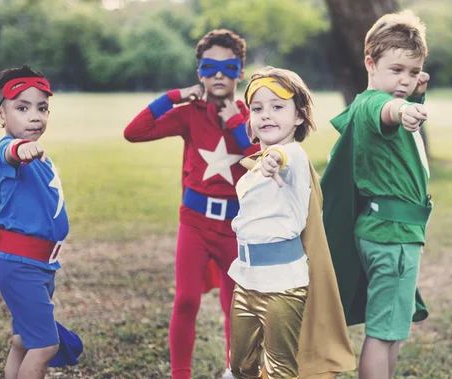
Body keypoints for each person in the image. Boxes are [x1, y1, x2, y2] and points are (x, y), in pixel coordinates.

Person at [123, 29, 259, 379]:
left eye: (227, 67)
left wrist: (236, 125)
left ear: (239, 72)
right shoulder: (189, 113)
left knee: (234, 304)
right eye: (209, 67)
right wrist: (174, 96)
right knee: (186, 300)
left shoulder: (249, 115)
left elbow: (261, 161)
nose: (217, 75)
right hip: (195, 222)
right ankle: (180, 373)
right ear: (199, 71)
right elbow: (134, 132)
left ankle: (235, 370)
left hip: (235, 225)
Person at [321, 10, 432, 379]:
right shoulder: (374, 104)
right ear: (370, 62)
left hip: (384, 231)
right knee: (384, 334)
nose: (404, 81)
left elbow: (399, 117)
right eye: (396, 70)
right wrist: (404, 109)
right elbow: (390, 111)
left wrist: (417, 97)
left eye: (413, 72)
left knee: (391, 330)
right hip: (393, 237)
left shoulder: (369, 101)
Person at [229, 67, 355, 379]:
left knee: (280, 370)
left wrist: (275, 159)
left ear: (299, 116)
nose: (266, 115)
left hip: (282, 285)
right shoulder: (256, 166)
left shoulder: (291, 156)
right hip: (246, 279)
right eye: (257, 109)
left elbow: (283, 160)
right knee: (241, 366)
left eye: (277, 106)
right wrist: (265, 162)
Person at [0, 65, 82, 379]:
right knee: (45, 346)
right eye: (22, 108)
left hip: (39, 264)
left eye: (42, 108)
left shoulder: (41, 156)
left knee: (24, 340)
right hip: (21, 263)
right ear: (0, 115)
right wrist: (22, 148)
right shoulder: (7, 149)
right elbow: (10, 152)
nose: (35, 116)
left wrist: (32, 151)